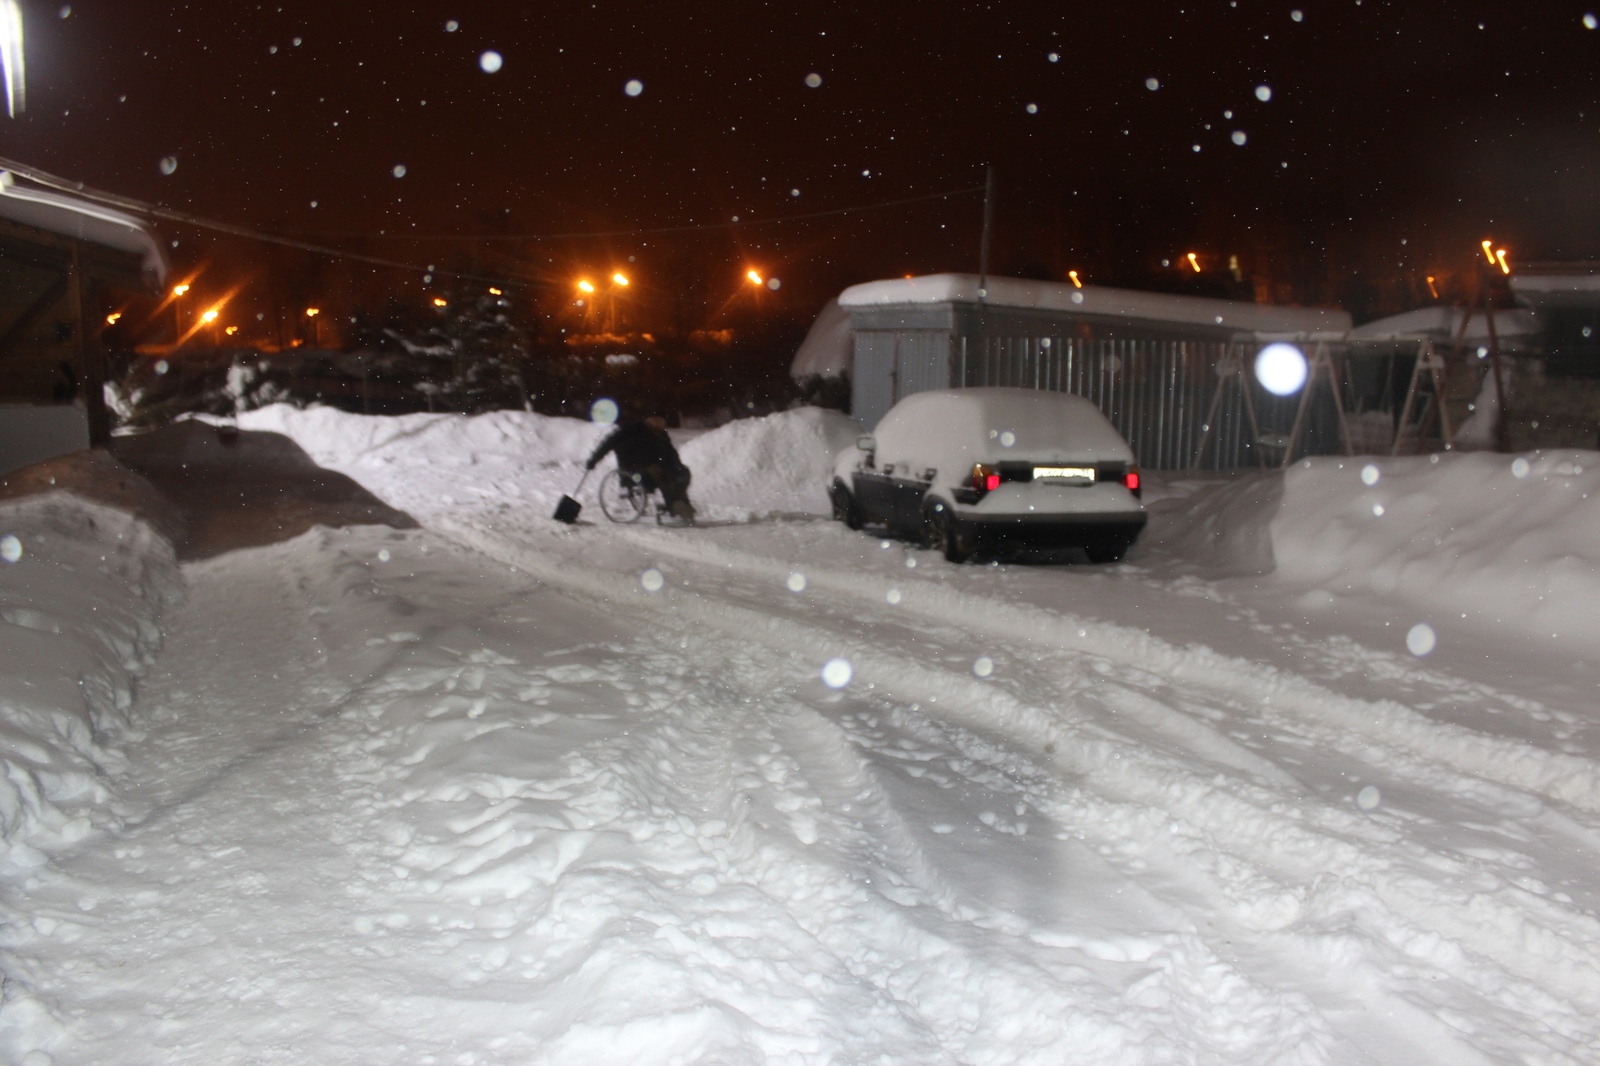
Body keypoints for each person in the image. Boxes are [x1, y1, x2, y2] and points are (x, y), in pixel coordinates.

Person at [586, 414, 696, 523]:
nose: (660, 424)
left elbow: (671, 454)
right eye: (657, 420)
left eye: (662, 421)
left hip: (656, 468)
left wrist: (677, 467)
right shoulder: (632, 430)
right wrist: (594, 459)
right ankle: (674, 504)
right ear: (649, 419)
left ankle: (679, 502)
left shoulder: (662, 435)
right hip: (634, 471)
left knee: (683, 472)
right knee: (660, 473)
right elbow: (608, 443)